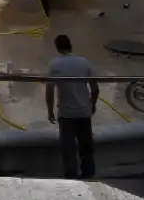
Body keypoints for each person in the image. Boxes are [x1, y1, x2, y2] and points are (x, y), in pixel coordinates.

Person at [45, 34, 99, 180]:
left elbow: (49, 90)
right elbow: (95, 88)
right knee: (86, 146)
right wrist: (92, 104)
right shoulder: (84, 62)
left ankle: (71, 177)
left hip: (66, 113)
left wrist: (50, 111)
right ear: (71, 46)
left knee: (68, 148)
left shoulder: (54, 64)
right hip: (83, 111)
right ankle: (89, 174)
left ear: (57, 47)